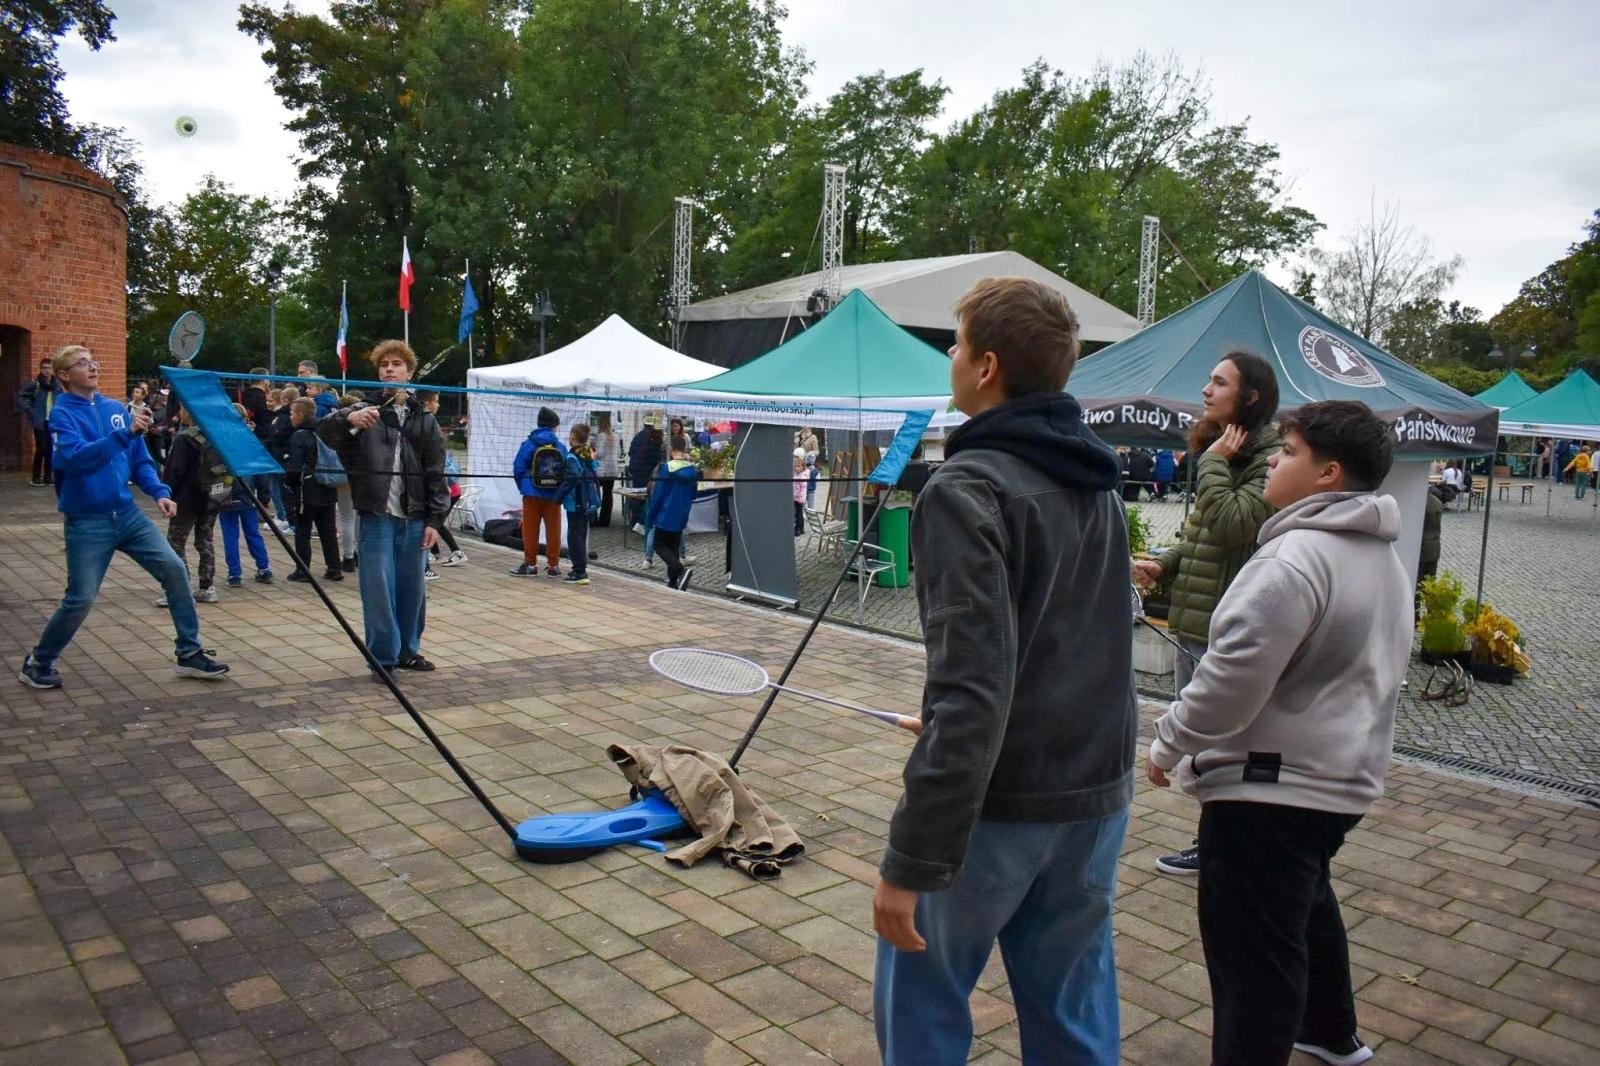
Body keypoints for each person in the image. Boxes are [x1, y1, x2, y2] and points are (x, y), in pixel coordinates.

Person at [873, 278, 1133, 1066]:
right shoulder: (1097, 483)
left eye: (953, 345)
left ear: (986, 367)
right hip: (1093, 796)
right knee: (1073, 1016)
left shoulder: (965, 489)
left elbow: (972, 688)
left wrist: (909, 862)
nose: (947, 359)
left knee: (922, 1005)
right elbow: (1082, 648)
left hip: (1000, 806)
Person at [1147, 400, 1411, 1066]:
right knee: (1302, 904)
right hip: (1337, 783)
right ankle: (1329, 1030)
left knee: (1254, 960)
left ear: (1327, 473)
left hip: (1270, 785)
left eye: (1287, 452)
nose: (1271, 459)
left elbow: (1231, 679)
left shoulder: (1295, 559)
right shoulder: (1381, 557)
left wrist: (1169, 741)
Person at [1131, 349, 1280, 877]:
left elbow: (1239, 525)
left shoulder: (1263, 457)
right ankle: (1215, 842)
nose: (1206, 390)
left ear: (1251, 396)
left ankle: (1222, 847)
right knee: (1205, 743)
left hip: (1223, 624)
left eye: (1219, 382)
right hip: (1197, 618)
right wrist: (1166, 564)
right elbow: (1209, 537)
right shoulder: (1232, 451)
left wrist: (1214, 461)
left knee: (1220, 743)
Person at [18, 345, 229, 689]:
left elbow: (139, 459)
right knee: (81, 598)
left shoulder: (114, 408)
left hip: (128, 515)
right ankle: (39, 661)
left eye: (93, 361)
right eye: (81, 363)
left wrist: (159, 491)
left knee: (174, 571)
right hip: (88, 520)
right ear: (63, 375)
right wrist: (124, 434)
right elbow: (74, 460)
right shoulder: (63, 415)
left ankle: (189, 653)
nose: (92, 367)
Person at [318, 342, 449, 679]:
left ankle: (408, 651)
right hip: (376, 517)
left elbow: (436, 474)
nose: (389, 369)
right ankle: (382, 658)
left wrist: (435, 520)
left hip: (416, 519)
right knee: (377, 590)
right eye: (384, 365)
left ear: (409, 372)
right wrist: (348, 416)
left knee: (412, 590)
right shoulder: (365, 411)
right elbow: (326, 431)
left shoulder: (424, 420)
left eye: (396, 364)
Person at [159, 405, 221, 606]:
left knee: (175, 543)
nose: (179, 414)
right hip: (213, 496)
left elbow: (173, 471)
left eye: (182, 410)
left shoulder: (184, 439)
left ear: (190, 414)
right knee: (205, 541)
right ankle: (207, 587)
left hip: (185, 499)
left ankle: (180, 590)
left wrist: (165, 494)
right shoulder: (218, 435)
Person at [283, 397, 344, 583]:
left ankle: (303, 570)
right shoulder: (325, 431)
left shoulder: (299, 435)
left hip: (307, 489)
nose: (290, 417)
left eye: (292, 413)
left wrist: (288, 483)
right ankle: (334, 568)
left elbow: (294, 466)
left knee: (303, 529)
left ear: (300, 415)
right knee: (327, 530)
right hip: (328, 486)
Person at [216, 403, 276, 588]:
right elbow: (260, 471)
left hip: (223, 491)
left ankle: (234, 573)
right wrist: (264, 495)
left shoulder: (218, 440)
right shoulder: (250, 441)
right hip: (248, 492)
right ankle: (264, 568)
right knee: (253, 533)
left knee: (230, 534)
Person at [509, 407, 568, 577]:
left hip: (531, 493)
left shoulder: (529, 444)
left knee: (530, 529)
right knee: (553, 530)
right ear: (553, 426)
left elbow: (518, 468)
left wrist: (525, 487)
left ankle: (530, 564)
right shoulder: (559, 446)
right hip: (553, 495)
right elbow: (565, 469)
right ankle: (553, 566)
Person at [415, 393, 466, 570]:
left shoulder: (431, 427)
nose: (438, 405)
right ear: (427, 403)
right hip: (443, 487)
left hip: (448, 489)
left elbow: (438, 464)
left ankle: (456, 553)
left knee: (434, 522)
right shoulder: (421, 423)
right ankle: (436, 554)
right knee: (433, 522)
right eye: (436, 402)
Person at [645, 434, 699, 590]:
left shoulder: (666, 469)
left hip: (665, 512)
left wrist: (651, 514)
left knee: (659, 545)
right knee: (673, 547)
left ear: (671, 450)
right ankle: (673, 582)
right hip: (682, 512)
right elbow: (694, 493)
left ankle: (679, 570)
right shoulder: (692, 470)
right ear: (685, 449)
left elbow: (658, 494)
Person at [559, 423, 600, 585]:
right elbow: (595, 469)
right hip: (587, 502)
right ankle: (580, 568)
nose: (569, 437)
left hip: (575, 502)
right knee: (581, 535)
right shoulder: (589, 453)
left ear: (574, 437)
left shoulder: (571, 457)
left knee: (574, 537)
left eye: (570, 434)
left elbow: (571, 480)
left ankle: (580, 571)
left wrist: (557, 497)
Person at [19, 356, 59, 486]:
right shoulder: (35, 384)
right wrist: (31, 411)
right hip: (40, 421)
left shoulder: (56, 385)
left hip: (52, 421)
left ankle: (48, 477)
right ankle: (36, 477)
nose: (47, 370)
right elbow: (20, 397)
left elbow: (62, 399)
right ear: (40, 369)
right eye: (44, 368)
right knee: (41, 448)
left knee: (50, 449)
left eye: (49, 368)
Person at [627, 418, 664, 527]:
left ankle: (634, 522)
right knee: (647, 497)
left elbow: (630, 452)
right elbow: (656, 458)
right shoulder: (656, 437)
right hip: (648, 472)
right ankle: (642, 523)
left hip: (636, 470)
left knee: (637, 496)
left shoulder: (638, 436)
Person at [592, 412, 619, 527]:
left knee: (595, 493)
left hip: (602, 469)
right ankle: (605, 520)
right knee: (608, 495)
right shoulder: (616, 435)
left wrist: (591, 453)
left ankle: (593, 519)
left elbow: (600, 454)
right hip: (612, 468)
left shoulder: (601, 435)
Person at [792, 448, 808, 535]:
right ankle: (801, 529)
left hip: (799, 499)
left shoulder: (802, 476)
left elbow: (803, 489)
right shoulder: (796, 475)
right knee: (799, 513)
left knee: (798, 514)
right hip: (795, 497)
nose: (797, 468)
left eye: (799, 466)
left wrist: (801, 499)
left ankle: (797, 529)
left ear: (802, 467)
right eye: (796, 466)